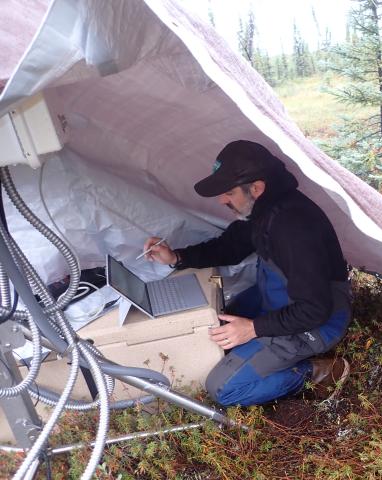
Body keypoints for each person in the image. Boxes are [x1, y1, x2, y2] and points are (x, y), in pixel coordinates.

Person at [143, 140, 352, 406]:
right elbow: (230, 247)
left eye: (228, 192)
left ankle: (320, 372)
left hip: (318, 321)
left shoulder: (293, 229)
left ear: (256, 188)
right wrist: (176, 257)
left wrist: (253, 328)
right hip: (281, 300)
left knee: (223, 389)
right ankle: (258, 347)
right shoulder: (265, 210)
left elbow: (314, 309)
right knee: (215, 325)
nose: (222, 200)